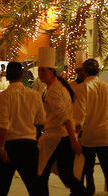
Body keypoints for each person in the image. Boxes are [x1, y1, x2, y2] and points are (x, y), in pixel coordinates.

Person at [37, 47, 86, 196]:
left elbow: (65, 117)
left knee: (42, 174)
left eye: (43, 71)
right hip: (60, 136)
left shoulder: (54, 90)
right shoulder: (57, 85)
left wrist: (73, 140)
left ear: (51, 71)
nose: (40, 74)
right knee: (66, 174)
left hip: (58, 137)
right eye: (39, 70)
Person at [0, 61, 45, 196]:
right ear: (22, 75)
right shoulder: (34, 95)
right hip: (29, 144)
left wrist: (2, 147)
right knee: (35, 188)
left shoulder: (4, 95)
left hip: (11, 145)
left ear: (7, 77)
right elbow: (41, 120)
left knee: (0, 188)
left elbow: (3, 124)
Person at [75, 58, 108, 196]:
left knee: (87, 168)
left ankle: (89, 190)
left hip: (89, 135)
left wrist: (75, 134)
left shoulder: (82, 88)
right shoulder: (107, 87)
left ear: (84, 71)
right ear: (98, 71)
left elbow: (79, 115)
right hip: (105, 134)